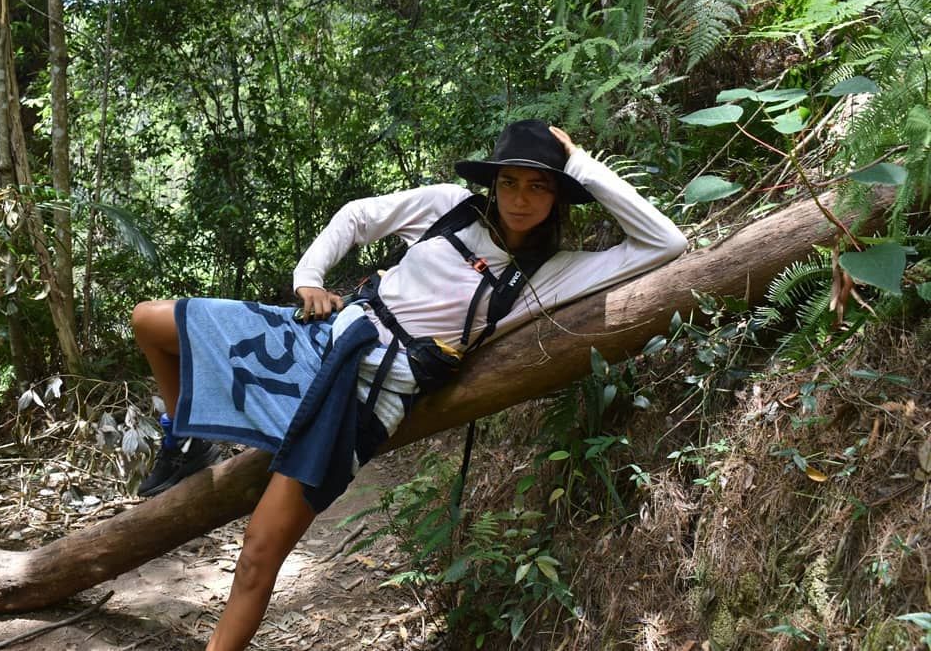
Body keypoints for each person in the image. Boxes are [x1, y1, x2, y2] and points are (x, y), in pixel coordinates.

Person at [130, 120, 687, 650]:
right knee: (150, 321)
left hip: (361, 394)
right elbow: (357, 216)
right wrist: (309, 279)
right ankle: (187, 442)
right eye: (509, 182)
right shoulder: (450, 207)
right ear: (492, 183)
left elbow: (664, 244)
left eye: (538, 186)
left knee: (258, 553)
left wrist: (579, 162)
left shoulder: (552, 274)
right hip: (324, 336)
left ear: (558, 196)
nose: (520, 198)